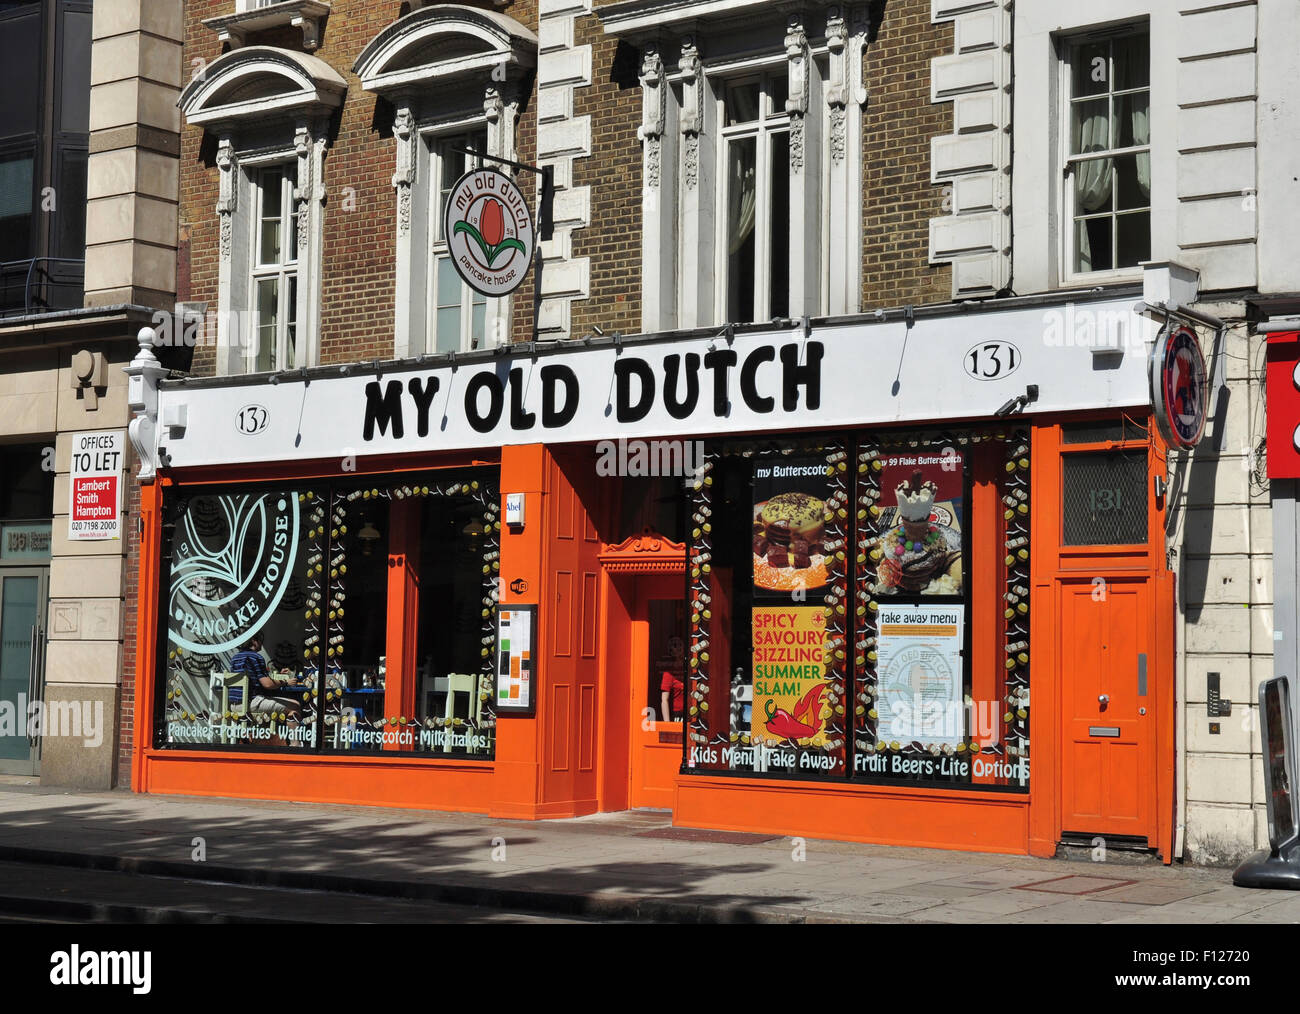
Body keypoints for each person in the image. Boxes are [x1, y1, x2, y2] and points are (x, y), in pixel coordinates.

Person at [231, 635, 303, 744]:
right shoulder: (255, 657)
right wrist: (285, 681)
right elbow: (267, 684)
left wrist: (278, 675)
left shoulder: (235, 658)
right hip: (252, 703)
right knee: (295, 705)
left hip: (234, 705)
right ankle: (295, 745)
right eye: (261, 641)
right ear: (254, 641)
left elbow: (257, 678)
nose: (262, 644)